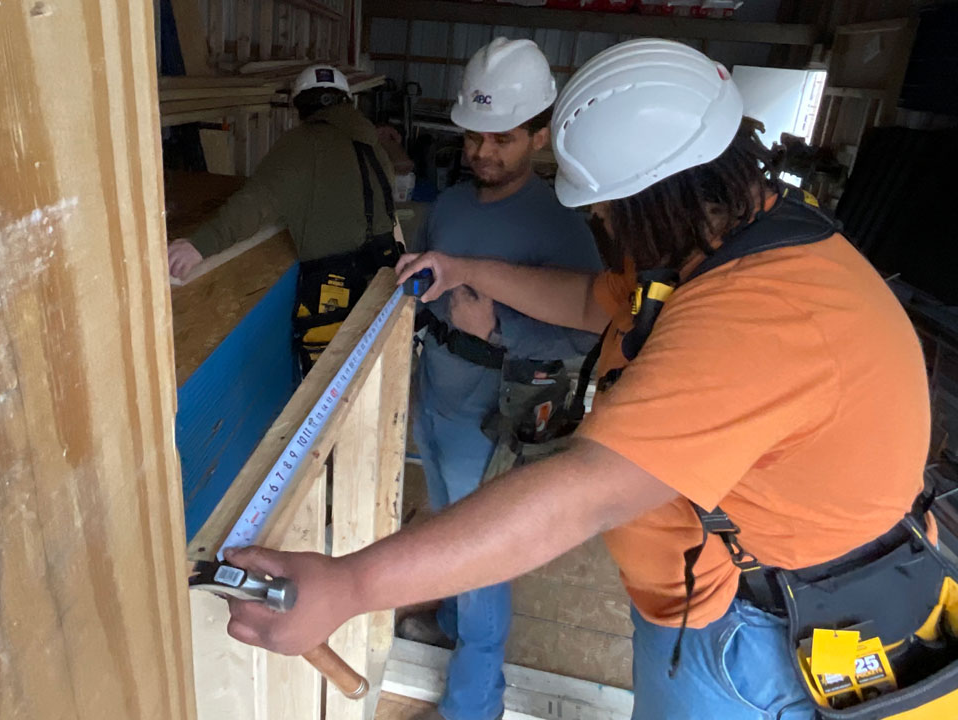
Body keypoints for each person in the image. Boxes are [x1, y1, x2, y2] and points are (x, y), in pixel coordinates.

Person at [221, 39, 936, 719]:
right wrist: (467, 269)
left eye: (605, 207)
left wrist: (351, 585)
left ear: (663, 193)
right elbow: (587, 301)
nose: (595, 218)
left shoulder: (758, 316)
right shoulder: (728, 239)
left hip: (752, 635)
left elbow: (580, 497)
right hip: (714, 595)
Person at [394, 37, 601, 720]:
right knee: (453, 525)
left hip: (497, 418)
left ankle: (472, 705)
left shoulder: (562, 224)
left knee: (480, 556)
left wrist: (501, 332)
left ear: (541, 134)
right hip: (438, 395)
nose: (483, 153)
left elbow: (587, 331)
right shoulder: (451, 204)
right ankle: (449, 627)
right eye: (473, 137)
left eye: (502, 139)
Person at [168, 65, 402, 373]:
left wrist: (200, 245)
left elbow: (257, 202)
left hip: (335, 288)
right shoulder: (374, 146)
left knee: (327, 384)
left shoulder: (303, 143)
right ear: (347, 101)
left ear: (301, 106)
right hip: (384, 275)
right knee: (373, 375)